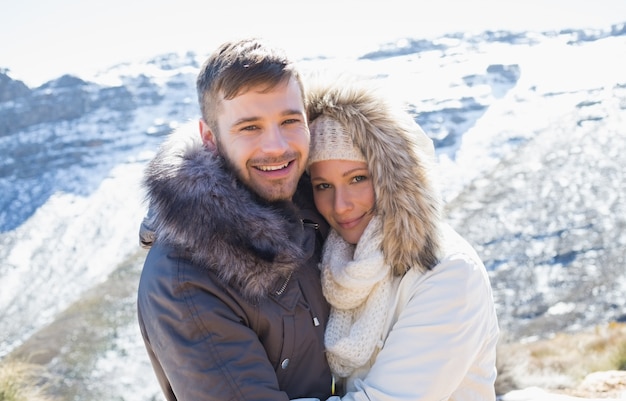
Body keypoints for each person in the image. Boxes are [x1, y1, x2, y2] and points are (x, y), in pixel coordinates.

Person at [136, 38, 334, 401]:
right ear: (210, 139)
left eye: (290, 121)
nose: (276, 146)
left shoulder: (325, 198)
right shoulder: (183, 280)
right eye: (250, 128)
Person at [304, 79, 500, 400]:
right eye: (323, 185)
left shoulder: (448, 274)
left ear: (395, 181)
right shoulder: (333, 264)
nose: (340, 206)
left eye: (358, 178)